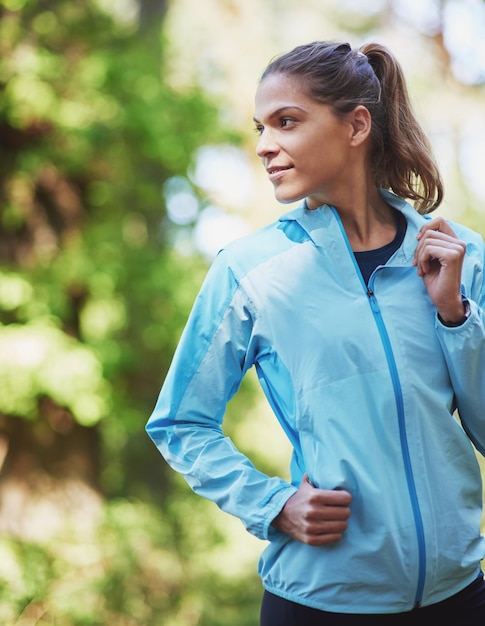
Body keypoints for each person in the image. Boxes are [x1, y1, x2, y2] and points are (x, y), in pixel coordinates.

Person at [146, 41, 485, 624]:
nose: (263, 146)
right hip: (320, 601)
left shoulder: (460, 256)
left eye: (286, 122)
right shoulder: (249, 270)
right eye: (260, 128)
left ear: (356, 125)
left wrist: (454, 316)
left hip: (461, 595)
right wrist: (272, 504)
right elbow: (179, 421)